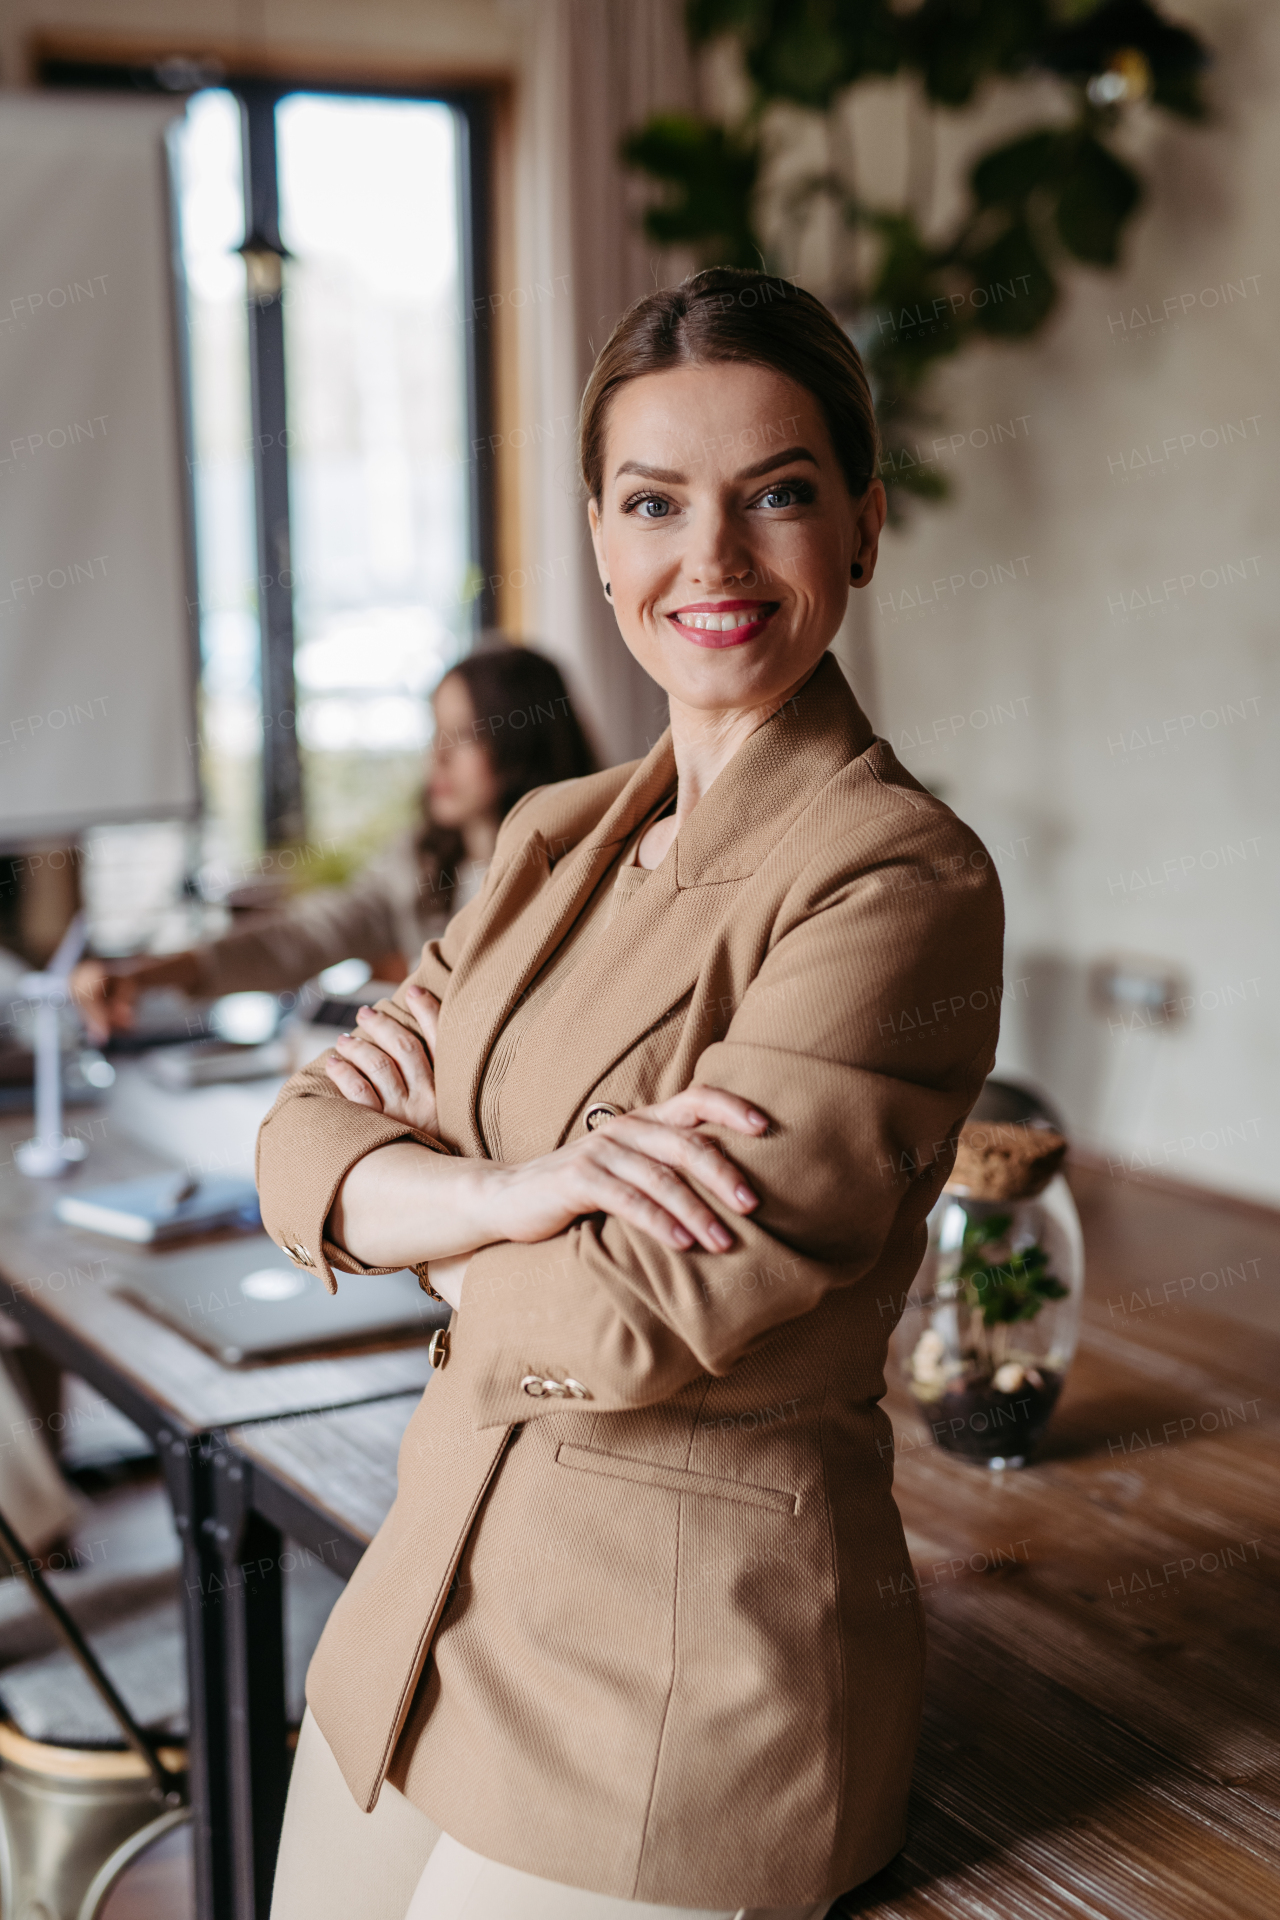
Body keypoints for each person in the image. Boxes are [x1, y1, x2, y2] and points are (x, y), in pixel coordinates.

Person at [257, 267, 1004, 1920]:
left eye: (779, 496)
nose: (712, 560)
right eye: (657, 502)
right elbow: (302, 1139)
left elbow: (629, 1315)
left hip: (684, 1683)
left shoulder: (895, 880)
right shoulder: (545, 839)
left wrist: (421, 1211)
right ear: (600, 541)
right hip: (427, 1605)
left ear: (865, 527)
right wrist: (519, 1195)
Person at [69, 644, 595, 1041]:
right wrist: (144, 973)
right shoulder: (421, 862)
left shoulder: (583, 868)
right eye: (436, 732)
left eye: (465, 735)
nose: (436, 757)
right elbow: (298, 938)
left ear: (522, 742)